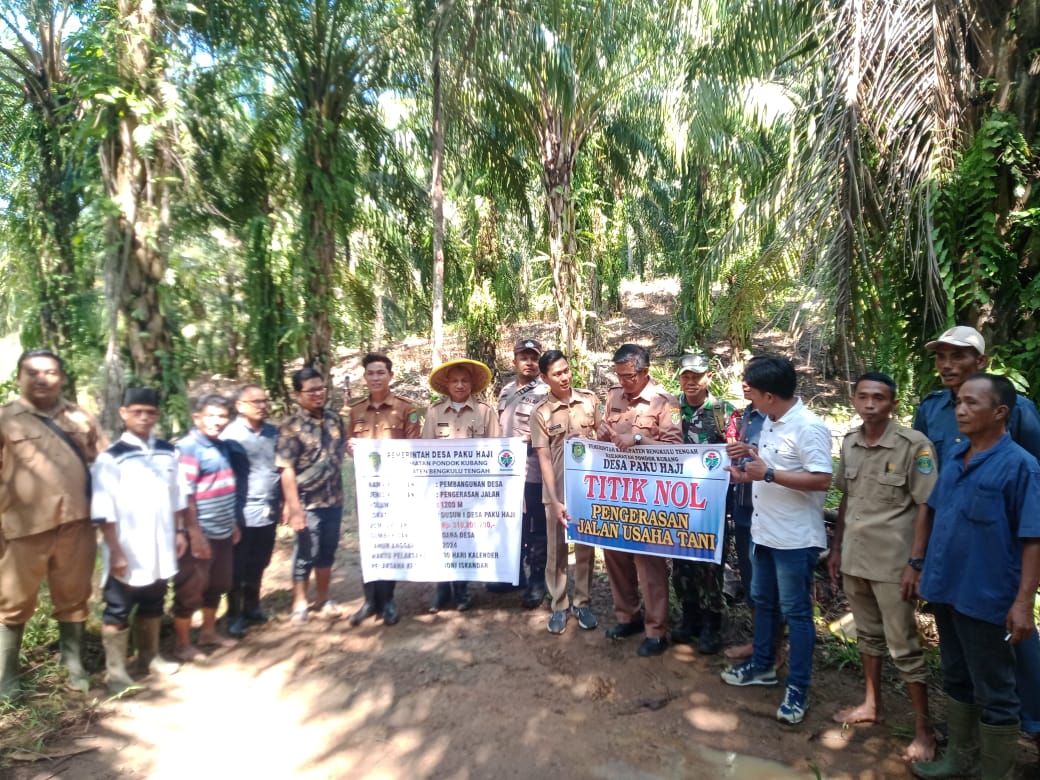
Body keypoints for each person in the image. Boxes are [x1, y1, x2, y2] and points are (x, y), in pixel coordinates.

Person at [913, 325, 1040, 749]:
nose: (948, 365)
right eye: (941, 356)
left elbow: (1028, 492)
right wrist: (918, 558)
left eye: (959, 356)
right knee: (959, 662)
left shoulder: (1017, 412)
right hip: (948, 560)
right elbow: (928, 485)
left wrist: (1025, 595)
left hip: (992, 561)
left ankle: (1032, 721)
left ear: (981, 362)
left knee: (1009, 648)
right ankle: (963, 750)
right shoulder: (933, 411)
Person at [827, 372, 937, 762]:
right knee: (868, 639)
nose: (870, 404)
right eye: (863, 396)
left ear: (893, 405)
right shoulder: (851, 442)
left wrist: (916, 563)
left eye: (879, 397)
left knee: (904, 647)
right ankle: (872, 704)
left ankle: (924, 731)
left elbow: (926, 505)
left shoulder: (914, 446)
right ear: (853, 400)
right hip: (856, 557)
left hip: (893, 564)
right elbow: (846, 499)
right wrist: (836, 549)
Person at [721, 355, 832, 725]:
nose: (748, 397)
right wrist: (749, 468)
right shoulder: (769, 422)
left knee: (798, 614)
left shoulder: (809, 427)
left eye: (753, 392)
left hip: (795, 540)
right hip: (764, 532)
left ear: (769, 395)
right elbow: (772, 471)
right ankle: (763, 665)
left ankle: (798, 688)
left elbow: (821, 480)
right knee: (763, 601)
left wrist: (767, 474)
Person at [0, 349, 103, 698]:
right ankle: (7, 675)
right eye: (33, 372)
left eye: (50, 372)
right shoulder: (5, 419)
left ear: (61, 377)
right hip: (22, 528)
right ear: (19, 377)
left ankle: (72, 662)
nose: (42, 378)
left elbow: (101, 461)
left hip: (77, 523)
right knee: (12, 599)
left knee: (74, 595)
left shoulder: (80, 417)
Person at [92, 388, 186, 693]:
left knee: (154, 601)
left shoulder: (168, 452)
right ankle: (116, 672)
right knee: (118, 609)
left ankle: (149, 657)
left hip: (162, 544)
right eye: (137, 411)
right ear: (123, 413)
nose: (144, 417)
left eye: (150, 412)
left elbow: (178, 496)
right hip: (127, 548)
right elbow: (104, 510)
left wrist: (182, 532)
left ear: (157, 414)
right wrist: (116, 551)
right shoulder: (111, 458)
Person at [598, 343, 683, 657]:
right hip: (617, 493)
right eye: (619, 376)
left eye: (629, 376)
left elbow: (675, 451)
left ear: (645, 371)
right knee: (615, 554)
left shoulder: (665, 403)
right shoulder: (614, 397)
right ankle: (627, 616)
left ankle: (656, 629)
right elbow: (605, 437)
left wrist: (637, 439)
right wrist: (605, 437)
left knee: (649, 564)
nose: (624, 382)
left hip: (650, 497)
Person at [345, 353, 421, 626]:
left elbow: (415, 446)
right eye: (371, 373)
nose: (376, 378)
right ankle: (369, 601)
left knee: (389, 542)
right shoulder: (355, 411)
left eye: (381, 373)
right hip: (366, 491)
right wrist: (352, 447)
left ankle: (387, 600)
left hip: (395, 487)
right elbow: (348, 446)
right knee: (368, 542)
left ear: (390, 375)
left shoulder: (406, 409)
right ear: (365, 377)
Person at [530, 349, 601, 635]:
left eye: (566, 370)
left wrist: (587, 437)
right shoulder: (541, 413)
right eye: (557, 374)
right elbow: (543, 458)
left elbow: (603, 434)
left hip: (586, 490)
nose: (564, 377)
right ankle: (559, 605)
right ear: (545, 378)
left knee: (585, 547)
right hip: (556, 492)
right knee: (556, 550)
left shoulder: (589, 400)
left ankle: (583, 601)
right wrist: (555, 499)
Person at [670, 353, 736, 655]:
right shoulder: (671, 408)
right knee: (681, 562)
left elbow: (735, 451)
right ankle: (690, 615)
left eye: (696, 376)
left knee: (710, 562)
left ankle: (712, 620)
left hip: (711, 502)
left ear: (708, 376)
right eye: (685, 376)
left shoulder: (723, 411)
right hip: (675, 500)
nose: (690, 382)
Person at [422, 358, 500, 612]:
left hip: (474, 491)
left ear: (472, 384)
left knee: (466, 537)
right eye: (454, 380)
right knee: (442, 538)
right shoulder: (434, 413)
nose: (459, 385)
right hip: (443, 490)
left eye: (464, 380)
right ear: (446, 384)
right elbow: (425, 452)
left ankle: (463, 590)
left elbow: (496, 449)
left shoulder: (485, 412)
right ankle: (442, 590)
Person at [277, 367, 348, 626]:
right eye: (311, 390)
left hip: (335, 498)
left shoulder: (334, 419)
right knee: (305, 552)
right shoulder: (291, 426)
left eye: (321, 388)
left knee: (327, 550)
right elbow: (286, 469)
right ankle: (299, 602)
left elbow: (342, 450)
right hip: (307, 501)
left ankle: (323, 598)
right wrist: (294, 508)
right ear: (298, 394)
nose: (318, 394)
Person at [173, 394, 241, 661]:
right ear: (197, 418)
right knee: (191, 587)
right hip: (200, 533)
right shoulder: (189, 448)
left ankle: (208, 632)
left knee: (217, 584)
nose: (217, 422)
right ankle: (181, 643)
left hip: (223, 529)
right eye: (211, 416)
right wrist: (194, 534)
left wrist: (232, 523)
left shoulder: (220, 445)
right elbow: (185, 495)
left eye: (222, 416)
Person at [221, 384, 282, 639]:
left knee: (260, 560)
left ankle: (253, 606)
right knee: (237, 566)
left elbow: (281, 469)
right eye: (255, 402)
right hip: (241, 511)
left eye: (265, 401)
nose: (262, 406)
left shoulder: (273, 433)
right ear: (239, 406)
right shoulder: (229, 436)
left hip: (268, 509)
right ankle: (234, 615)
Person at [496, 337, 550, 608]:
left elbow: (552, 429)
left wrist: (533, 438)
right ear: (514, 360)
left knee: (535, 525)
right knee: (510, 521)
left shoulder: (546, 391)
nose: (528, 362)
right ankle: (512, 574)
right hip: (505, 472)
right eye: (523, 357)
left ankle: (537, 578)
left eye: (533, 357)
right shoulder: (505, 391)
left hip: (533, 471)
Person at [723, 368, 768, 661]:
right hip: (743, 506)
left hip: (767, 511)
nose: (744, 383)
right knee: (751, 578)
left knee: (767, 582)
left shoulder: (778, 420)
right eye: (744, 377)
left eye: (751, 379)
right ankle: (759, 642)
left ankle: (771, 646)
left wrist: (751, 450)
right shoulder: (743, 415)